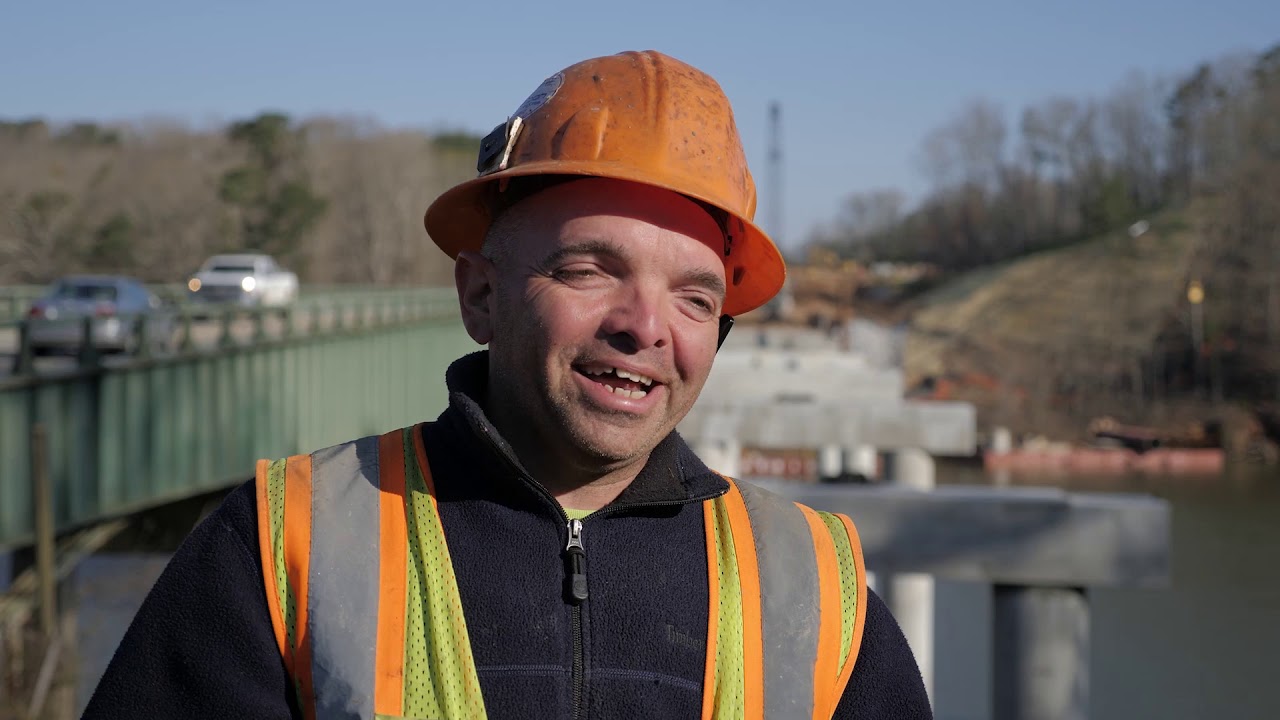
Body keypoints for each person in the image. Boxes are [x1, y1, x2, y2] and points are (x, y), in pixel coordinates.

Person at [83, 50, 932, 719]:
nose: (645, 326)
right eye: (590, 270)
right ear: (481, 296)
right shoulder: (283, 546)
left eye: (693, 297)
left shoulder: (817, 587)